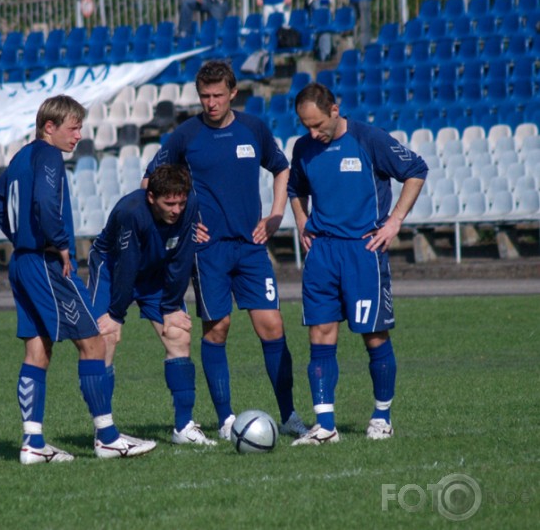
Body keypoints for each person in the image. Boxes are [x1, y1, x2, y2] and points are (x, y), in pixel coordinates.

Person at [143, 60, 307, 440]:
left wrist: (276, 214)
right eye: (204, 96)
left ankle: (289, 415)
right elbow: (150, 182)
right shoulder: (186, 135)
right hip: (208, 251)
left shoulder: (253, 129)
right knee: (218, 328)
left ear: (233, 93)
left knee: (272, 326)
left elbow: (281, 168)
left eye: (217, 95)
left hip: (251, 247)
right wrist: (181, 223)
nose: (211, 103)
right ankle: (226, 420)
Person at [0, 95, 156, 463]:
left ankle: (33, 443)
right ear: (50, 127)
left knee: (37, 350)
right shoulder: (48, 156)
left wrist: (20, 238)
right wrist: (59, 245)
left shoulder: (20, 157)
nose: (78, 135)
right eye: (73, 127)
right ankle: (108, 438)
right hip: (48, 263)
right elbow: (47, 202)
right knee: (93, 342)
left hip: (22, 263)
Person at [286, 83, 428, 445]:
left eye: (317, 124)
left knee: (374, 335)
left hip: (363, 252)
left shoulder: (369, 139)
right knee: (319, 335)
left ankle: (382, 417)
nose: (312, 133)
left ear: (335, 109)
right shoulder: (303, 148)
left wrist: (395, 220)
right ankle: (325, 425)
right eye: (306, 126)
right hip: (322, 255)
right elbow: (294, 189)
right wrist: (302, 222)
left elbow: (416, 169)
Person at [87, 164, 216, 446]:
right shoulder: (130, 212)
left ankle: (184, 427)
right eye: (169, 203)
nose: (177, 210)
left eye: (181, 202)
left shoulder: (190, 203)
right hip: (113, 270)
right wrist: (116, 315)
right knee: (105, 339)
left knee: (178, 335)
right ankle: (105, 432)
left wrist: (170, 308)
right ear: (151, 197)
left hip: (156, 272)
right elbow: (126, 265)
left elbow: (182, 258)